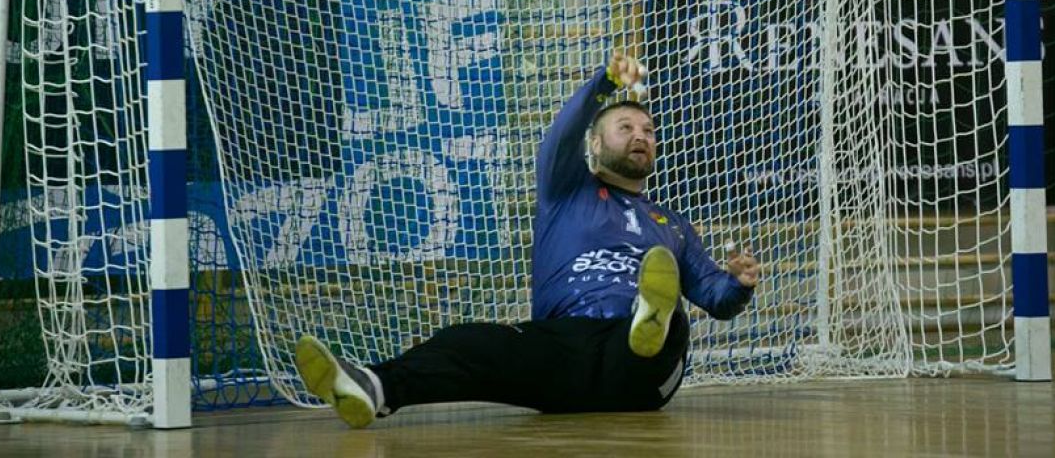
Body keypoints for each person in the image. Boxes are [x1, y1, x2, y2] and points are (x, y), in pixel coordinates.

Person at [294, 52, 762, 428]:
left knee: (670, 322)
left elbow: (715, 297)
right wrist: (604, 83)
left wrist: (738, 284)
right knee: (469, 342)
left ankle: (647, 321)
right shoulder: (565, 189)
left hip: (642, 377)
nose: (640, 136)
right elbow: (560, 136)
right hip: (564, 353)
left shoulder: (672, 223)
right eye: (625, 128)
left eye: (648, 131)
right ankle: (373, 387)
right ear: (595, 144)